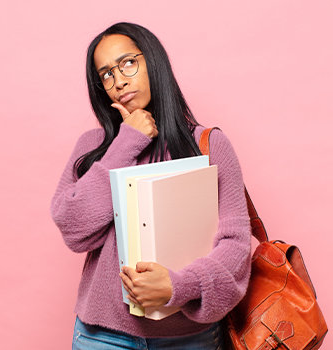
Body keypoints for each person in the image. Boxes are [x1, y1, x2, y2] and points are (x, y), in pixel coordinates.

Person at [51, 22, 251, 350]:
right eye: (106, 74)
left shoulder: (208, 144)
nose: (119, 81)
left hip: (190, 337)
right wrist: (128, 140)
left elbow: (236, 245)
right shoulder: (93, 146)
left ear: (153, 61)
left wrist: (179, 286)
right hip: (101, 337)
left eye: (128, 62)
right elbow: (73, 228)